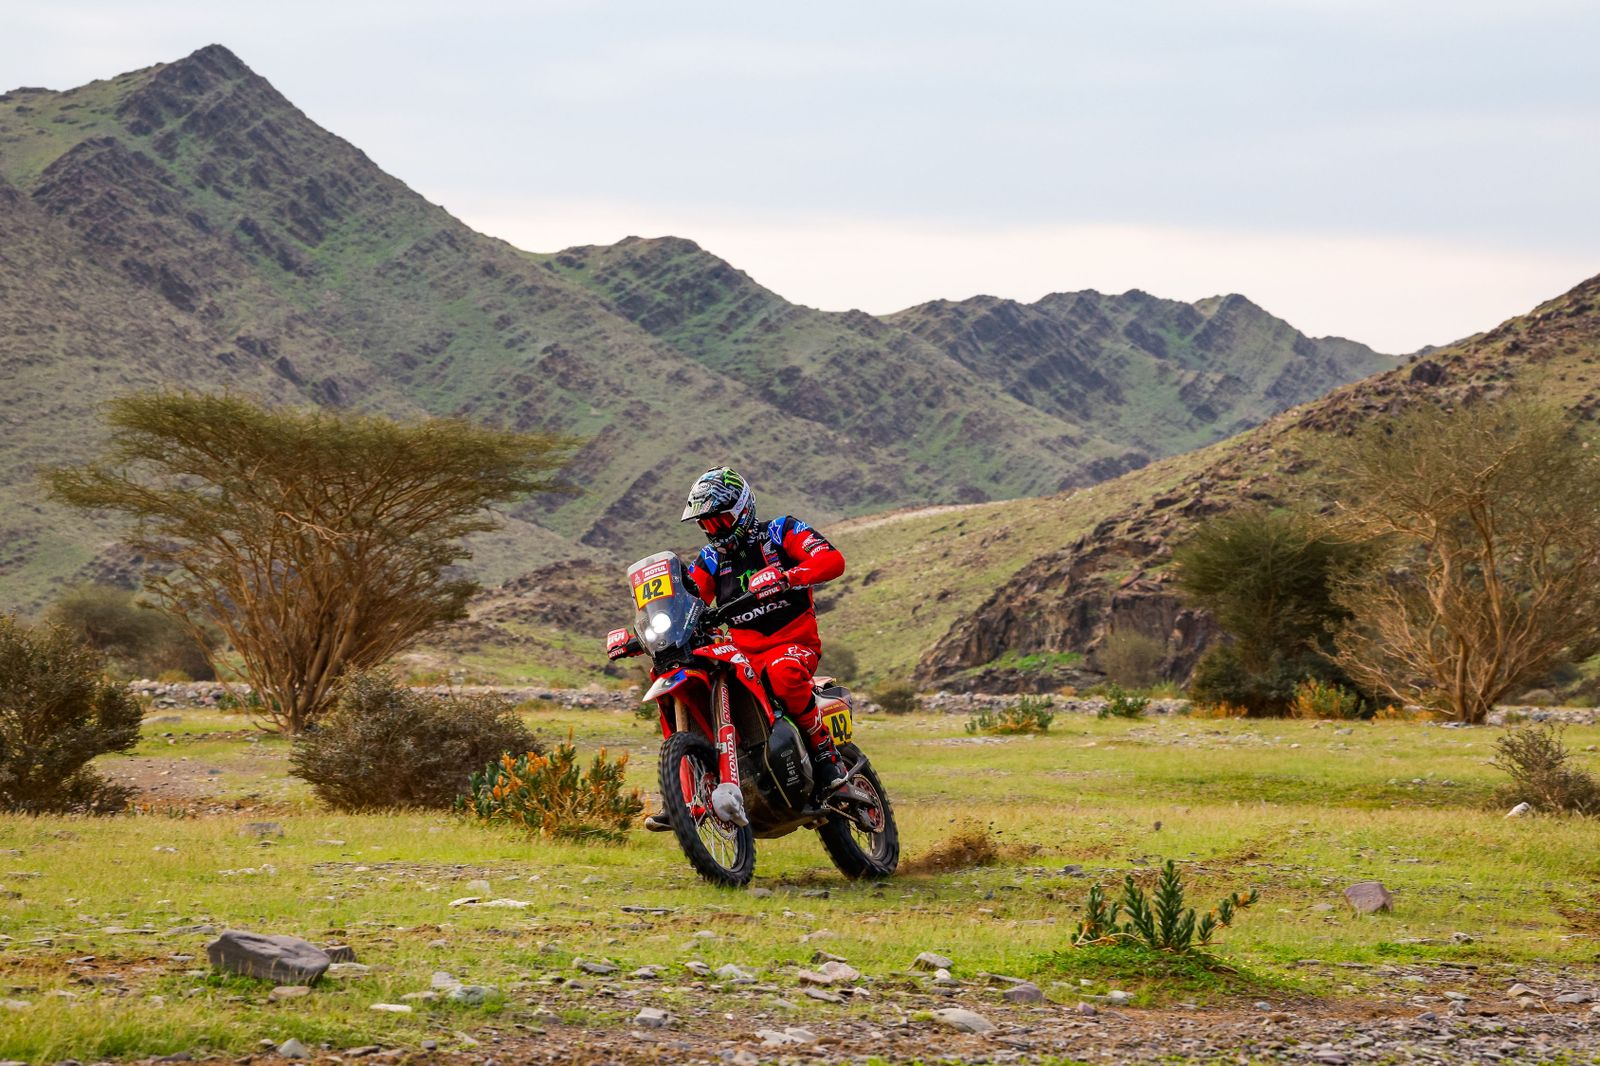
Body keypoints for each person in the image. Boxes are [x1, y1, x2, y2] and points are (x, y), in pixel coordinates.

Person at [610, 467, 864, 822]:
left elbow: (831, 560)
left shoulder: (781, 532)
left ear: (743, 508)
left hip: (793, 642)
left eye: (720, 520)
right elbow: (689, 601)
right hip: (742, 652)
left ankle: (827, 760)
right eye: (707, 524)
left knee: (784, 673)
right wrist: (645, 632)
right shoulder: (711, 560)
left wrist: (787, 576)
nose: (715, 530)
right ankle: (685, 792)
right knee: (685, 680)